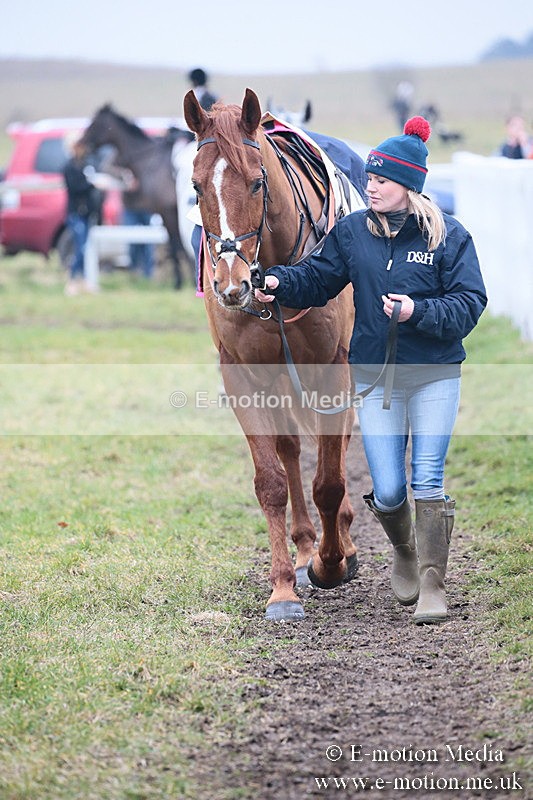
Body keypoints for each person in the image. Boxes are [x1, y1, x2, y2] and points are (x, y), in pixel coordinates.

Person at [255, 117, 488, 625]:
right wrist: (277, 280)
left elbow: (471, 303)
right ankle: (406, 552)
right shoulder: (352, 234)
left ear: (408, 187)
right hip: (376, 379)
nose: (370, 184)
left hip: (434, 375)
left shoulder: (449, 236)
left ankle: (432, 582)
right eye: (371, 178)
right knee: (387, 490)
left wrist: (417, 313)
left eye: (381, 180)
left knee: (427, 478)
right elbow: (317, 279)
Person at [62, 137, 101, 295]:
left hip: (87, 212)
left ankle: (84, 280)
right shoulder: (69, 167)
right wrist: (91, 184)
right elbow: (76, 187)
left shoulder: (87, 165)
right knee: (81, 247)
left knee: (86, 247)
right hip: (75, 213)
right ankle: (72, 279)